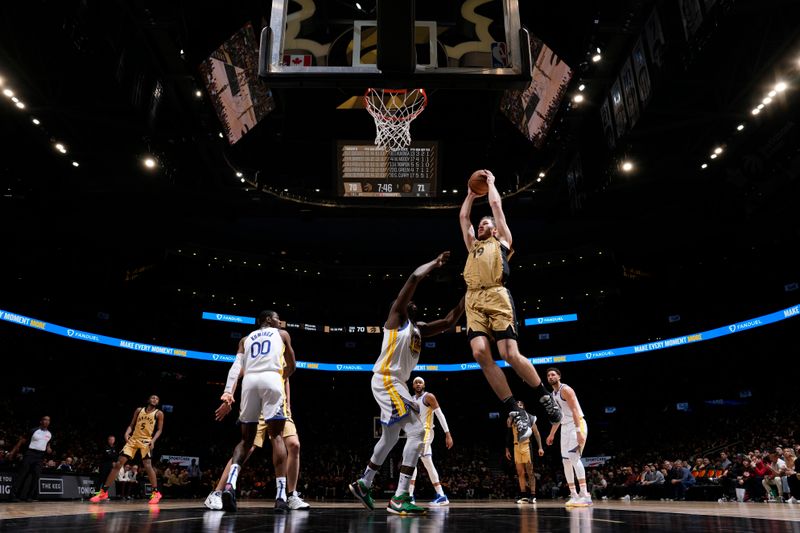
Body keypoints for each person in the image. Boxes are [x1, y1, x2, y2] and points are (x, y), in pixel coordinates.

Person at [349, 252, 465, 515]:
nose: (410, 302)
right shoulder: (396, 319)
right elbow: (413, 277)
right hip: (388, 380)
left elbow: (448, 321)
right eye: (406, 301)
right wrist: (434, 264)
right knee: (416, 432)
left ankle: (363, 483)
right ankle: (401, 496)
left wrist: (470, 293)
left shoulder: (417, 328)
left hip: (394, 383)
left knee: (390, 438)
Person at [459, 170, 562, 443]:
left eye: (484, 224)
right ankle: (515, 409)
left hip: (497, 295)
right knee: (480, 353)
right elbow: (462, 218)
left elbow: (495, 206)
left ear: (494, 228)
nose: (480, 226)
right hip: (473, 299)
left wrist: (492, 183)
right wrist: (470, 195)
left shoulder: (502, 241)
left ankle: (543, 394)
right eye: (479, 224)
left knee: (509, 354)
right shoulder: (472, 247)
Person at [216, 310, 297, 512]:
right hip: (271, 379)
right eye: (278, 318)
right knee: (277, 436)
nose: (281, 321)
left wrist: (228, 393)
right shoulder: (282, 334)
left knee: (245, 440)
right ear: (268, 320)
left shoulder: (245, 339)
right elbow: (292, 365)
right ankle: (280, 497)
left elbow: (236, 368)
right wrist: (281, 375)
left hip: (250, 382)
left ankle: (230, 484)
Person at [207, 373, 310, 511]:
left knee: (294, 445)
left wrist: (288, 406)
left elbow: (286, 379)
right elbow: (237, 372)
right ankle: (216, 493)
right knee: (247, 450)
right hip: (259, 408)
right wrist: (229, 396)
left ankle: (291, 496)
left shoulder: (282, 353)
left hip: (280, 407)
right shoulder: (255, 355)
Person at [89, 394, 164, 504]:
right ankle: (104, 492)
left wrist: (153, 441)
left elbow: (159, 430)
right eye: (153, 397)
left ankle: (156, 492)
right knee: (118, 464)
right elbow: (131, 424)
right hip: (133, 439)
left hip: (146, 440)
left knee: (147, 465)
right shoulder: (139, 410)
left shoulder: (159, 413)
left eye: (157, 399)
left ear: (158, 402)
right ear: (149, 400)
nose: (155, 399)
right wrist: (126, 433)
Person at [545, 368, 591, 507]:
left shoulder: (566, 390)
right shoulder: (553, 395)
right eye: (548, 375)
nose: (550, 377)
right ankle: (574, 495)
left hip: (576, 424)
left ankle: (585, 494)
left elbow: (575, 411)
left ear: (559, 376)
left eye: (553, 374)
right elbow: (559, 417)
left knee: (573, 457)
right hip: (565, 427)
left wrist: (579, 432)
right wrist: (551, 434)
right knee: (565, 461)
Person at [408, 376, 454, 506]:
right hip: (415, 434)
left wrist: (447, 433)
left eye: (420, 382)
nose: (418, 384)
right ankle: (441, 495)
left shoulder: (429, 397)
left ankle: (410, 496)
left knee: (411, 460)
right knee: (428, 463)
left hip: (426, 432)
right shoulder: (411, 399)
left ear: (424, 385)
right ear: (413, 385)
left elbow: (440, 415)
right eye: (416, 382)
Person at [505, 400, 543, 503]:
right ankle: (523, 495)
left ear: (524, 407)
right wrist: (507, 449)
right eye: (517, 405)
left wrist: (540, 447)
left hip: (526, 446)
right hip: (516, 447)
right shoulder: (511, 418)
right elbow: (508, 434)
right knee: (520, 473)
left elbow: (536, 433)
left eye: (521, 405)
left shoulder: (530, 417)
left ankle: (533, 495)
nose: (519, 406)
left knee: (530, 471)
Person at [8, 415, 53, 502]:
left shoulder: (49, 434)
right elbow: (21, 440)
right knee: (22, 475)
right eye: (45, 420)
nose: (46, 421)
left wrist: (48, 448)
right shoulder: (33, 430)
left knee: (36, 476)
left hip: (40, 457)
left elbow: (48, 444)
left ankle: (29, 497)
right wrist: (13, 452)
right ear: (41, 421)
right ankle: (13, 496)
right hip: (30, 454)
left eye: (48, 420)